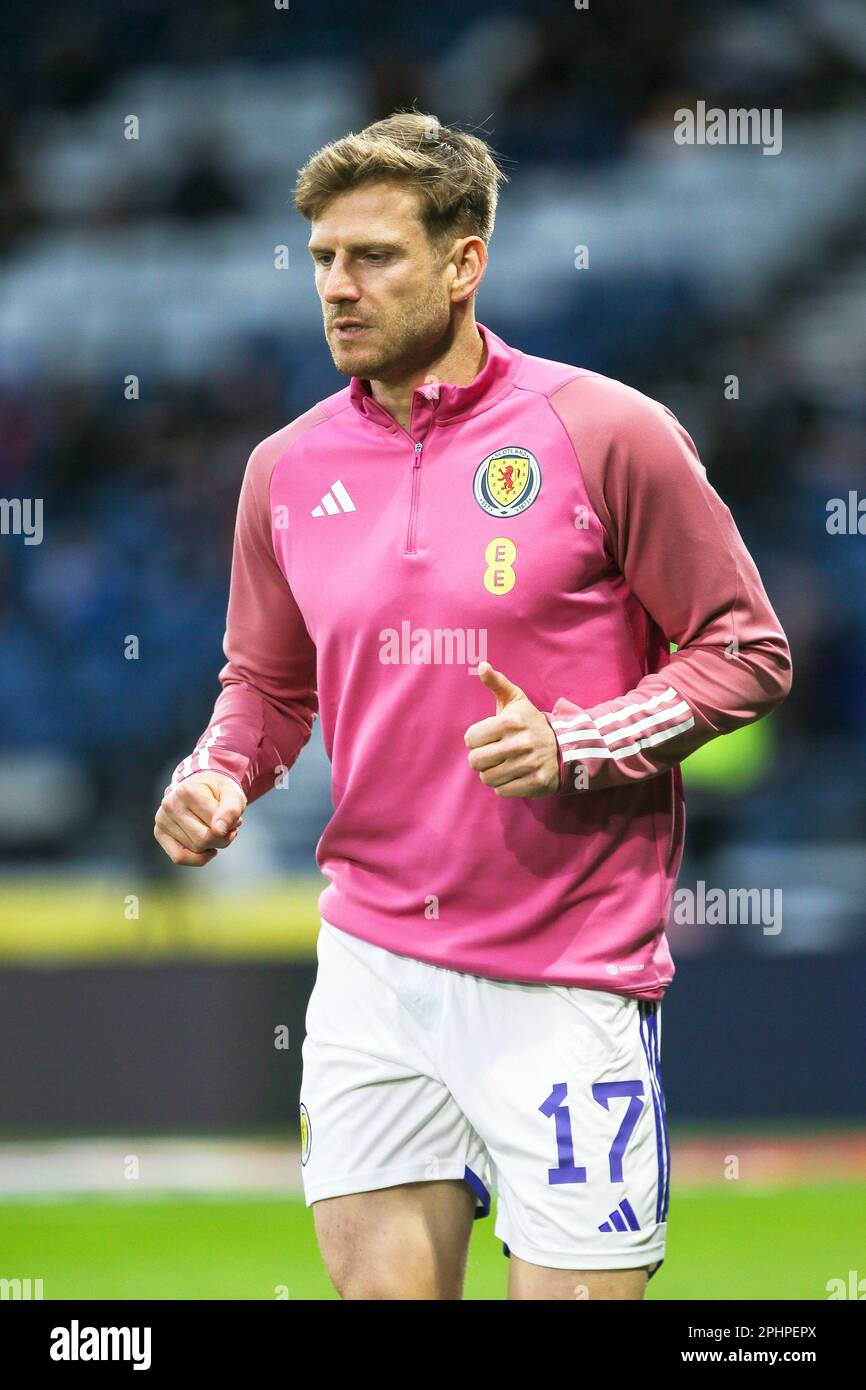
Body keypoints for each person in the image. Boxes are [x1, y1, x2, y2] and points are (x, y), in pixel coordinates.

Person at [154, 112, 792, 1300]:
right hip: (371, 966)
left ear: (463, 262)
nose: (339, 288)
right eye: (323, 259)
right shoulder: (284, 470)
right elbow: (266, 686)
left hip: (565, 974)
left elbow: (745, 649)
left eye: (375, 256)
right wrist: (217, 774)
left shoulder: (606, 432)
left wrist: (578, 742)